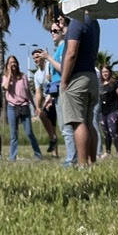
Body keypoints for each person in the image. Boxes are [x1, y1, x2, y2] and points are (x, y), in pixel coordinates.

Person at [58, 11, 100, 167]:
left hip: (77, 79)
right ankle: (92, 162)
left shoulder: (77, 21)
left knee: (78, 122)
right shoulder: (94, 22)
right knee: (89, 123)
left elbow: (71, 53)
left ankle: (82, 165)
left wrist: (64, 80)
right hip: (91, 76)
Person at [43, 16, 75, 166]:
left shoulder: (63, 47)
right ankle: (72, 156)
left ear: (62, 32)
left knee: (66, 126)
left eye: (55, 30)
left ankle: (71, 158)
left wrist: (48, 58)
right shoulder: (58, 49)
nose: (52, 33)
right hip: (56, 92)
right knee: (63, 127)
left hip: (64, 90)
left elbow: (63, 69)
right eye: (50, 31)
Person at [1, 55, 41, 161]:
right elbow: (5, 87)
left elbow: (28, 92)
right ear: (7, 65)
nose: (13, 64)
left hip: (24, 106)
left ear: (17, 64)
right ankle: (12, 157)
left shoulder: (23, 76)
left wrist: (35, 106)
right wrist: (9, 74)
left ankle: (38, 154)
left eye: (14, 62)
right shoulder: (5, 77)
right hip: (12, 107)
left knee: (29, 132)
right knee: (13, 134)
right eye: (10, 62)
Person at [30, 48, 57, 156]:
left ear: (42, 56)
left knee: (61, 126)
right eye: (34, 58)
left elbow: (56, 81)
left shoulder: (49, 66)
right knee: (42, 115)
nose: (36, 59)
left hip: (56, 97)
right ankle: (52, 139)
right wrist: (37, 107)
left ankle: (59, 152)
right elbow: (38, 93)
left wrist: (50, 78)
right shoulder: (37, 75)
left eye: (37, 57)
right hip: (47, 101)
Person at [98, 65, 118, 158]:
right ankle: (107, 152)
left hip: (114, 110)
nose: (105, 73)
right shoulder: (100, 84)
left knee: (113, 131)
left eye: (106, 71)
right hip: (102, 112)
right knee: (105, 132)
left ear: (110, 72)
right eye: (103, 72)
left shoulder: (115, 83)